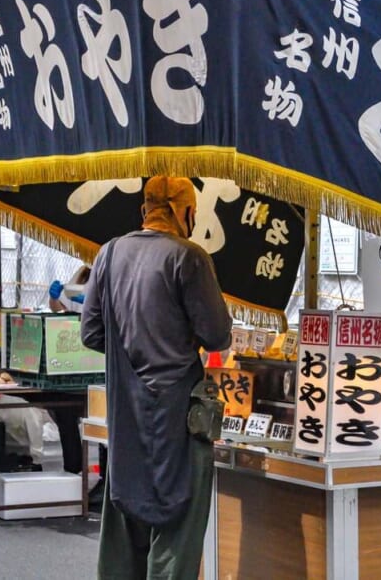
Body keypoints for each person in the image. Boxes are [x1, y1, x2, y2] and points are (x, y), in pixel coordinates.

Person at [81, 176, 232, 580]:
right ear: (185, 212)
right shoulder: (190, 258)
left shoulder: (108, 254)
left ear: (144, 211)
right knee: (176, 534)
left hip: (125, 418)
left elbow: (91, 333)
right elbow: (218, 334)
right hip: (177, 421)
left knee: (123, 532)